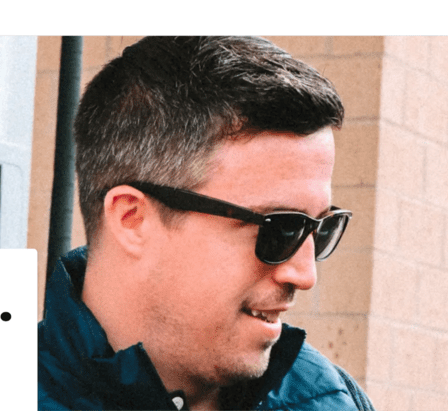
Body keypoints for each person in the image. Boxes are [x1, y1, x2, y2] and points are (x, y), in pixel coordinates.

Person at [37, 37, 375, 411]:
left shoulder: (331, 398)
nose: (304, 274)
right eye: (280, 229)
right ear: (132, 219)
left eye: (321, 229)